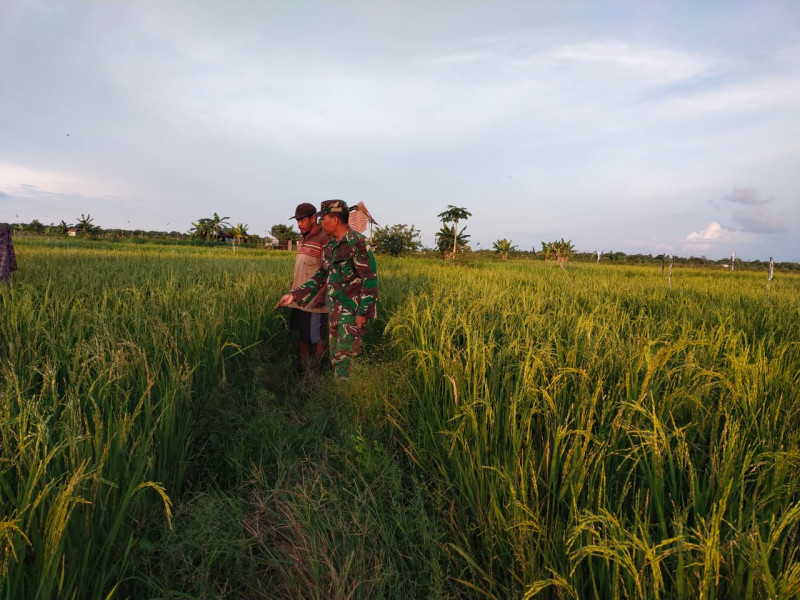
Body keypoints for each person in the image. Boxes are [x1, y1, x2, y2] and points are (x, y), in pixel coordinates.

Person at [277, 199, 378, 379]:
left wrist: (363, 312)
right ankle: (342, 397)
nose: (321, 222)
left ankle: (350, 400)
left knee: (348, 363)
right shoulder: (331, 247)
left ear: (335, 219)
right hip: (334, 312)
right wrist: (294, 295)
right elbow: (320, 275)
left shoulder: (358, 243)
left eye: (323, 218)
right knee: (337, 360)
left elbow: (370, 279)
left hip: (352, 315)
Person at [287, 202, 330, 370]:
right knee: (303, 336)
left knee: (317, 337)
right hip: (299, 297)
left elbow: (329, 269)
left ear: (314, 219)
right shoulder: (302, 238)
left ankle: (316, 371)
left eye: (302, 220)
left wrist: (321, 293)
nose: (299, 224)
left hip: (315, 299)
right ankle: (304, 369)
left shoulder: (324, 238)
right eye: (297, 221)